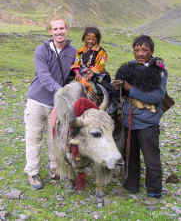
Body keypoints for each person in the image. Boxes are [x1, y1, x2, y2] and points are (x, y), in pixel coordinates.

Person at [24, 15, 76, 189]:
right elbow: (44, 76)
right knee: (34, 138)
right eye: (55, 29)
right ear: (50, 31)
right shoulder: (41, 50)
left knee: (56, 140)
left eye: (61, 28)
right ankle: (33, 173)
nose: (59, 32)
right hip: (37, 100)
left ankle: (56, 170)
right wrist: (61, 91)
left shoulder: (73, 52)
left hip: (57, 104)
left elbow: (74, 75)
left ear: (66, 29)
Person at [113, 35, 168, 198]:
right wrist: (118, 87)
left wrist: (130, 89)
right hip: (129, 120)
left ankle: (154, 191)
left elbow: (157, 96)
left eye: (144, 50)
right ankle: (131, 186)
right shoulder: (129, 67)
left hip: (148, 122)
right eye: (137, 50)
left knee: (151, 158)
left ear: (152, 51)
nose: (140, 53)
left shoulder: (159, 70)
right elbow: (123, 93)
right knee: (130, 155)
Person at [71, 27, 117, 113]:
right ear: (84, 38)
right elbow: (76, 63)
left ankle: (112, 104)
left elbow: (101, 65)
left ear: (97, 40)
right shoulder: (80, 51)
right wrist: (77, 73)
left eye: (93, 39)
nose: (90, 41)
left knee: (110, 88)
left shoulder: (101, 52)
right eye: (88, 39)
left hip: (97, 74)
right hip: (82, 73)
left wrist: (92, 73)